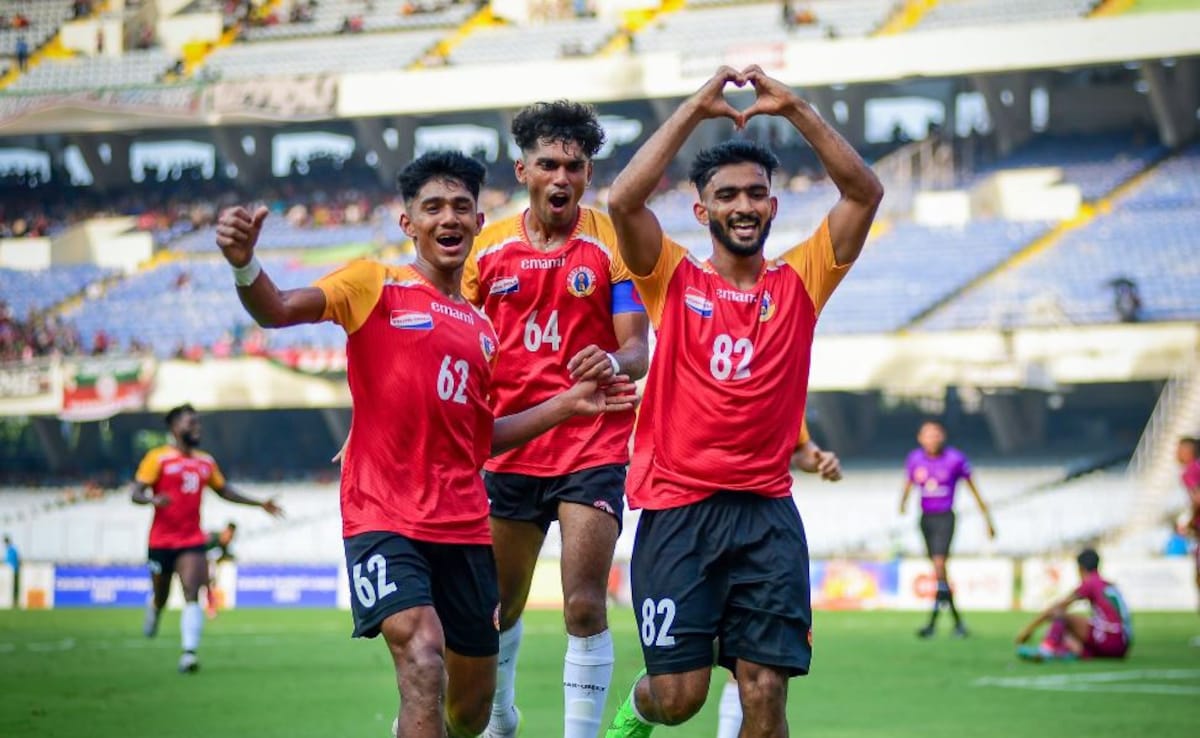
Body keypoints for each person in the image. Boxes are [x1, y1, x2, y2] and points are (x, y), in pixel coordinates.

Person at [215, 150, 638, 738]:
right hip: (383, 518)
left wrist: (567, 405)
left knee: (468, 711)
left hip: (464, 526)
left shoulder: (483, 331)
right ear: (407, 222)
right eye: (433, 207)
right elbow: (279, 308)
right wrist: (245, 265)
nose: (449, 218)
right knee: (421, 651)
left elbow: (481, 439)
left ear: (477, 221)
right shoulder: (373, 284)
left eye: (461, 207)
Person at [603, 65, 883, 738]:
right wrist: (692, 111)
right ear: (702, 211)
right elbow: (623, 201)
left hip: (766, 516)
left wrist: (796, 108)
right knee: (679, 699)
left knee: (765, 691)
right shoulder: (672, 277)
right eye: (726, 195)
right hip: (678, 511)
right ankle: (634, 715)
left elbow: (864, 192)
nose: (744, 205)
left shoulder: (802, 280)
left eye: (757, 193)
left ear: (773, 207)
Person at [460, 100, 650, 738]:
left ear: (589, 174)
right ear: (523, 171)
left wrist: (613, 359)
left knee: (583, 604)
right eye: (548, 164)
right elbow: (450, 338)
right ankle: (501, 717)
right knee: (499, 606)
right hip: (510, 444)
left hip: (592, 443)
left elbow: (638, 348)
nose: (561, 177)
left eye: (574, 166)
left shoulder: (611, 242)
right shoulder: (486, 251)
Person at [132, 404, 284, 673]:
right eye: (190, 423)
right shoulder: (158, 459)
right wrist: (152, 499)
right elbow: (135, 493)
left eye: (198, 423)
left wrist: (259, 503)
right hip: (160, 542)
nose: (196, 428)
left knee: (192, 592)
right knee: (161, 595)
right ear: (174, 427)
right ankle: (155, 608)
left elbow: (225, 491)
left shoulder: (205, 462)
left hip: (191, 539)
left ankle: (189, 653)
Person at [716, 421, 840, 738]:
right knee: (681, 686)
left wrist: (819, 459)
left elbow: (801, 449)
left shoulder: (782, 398)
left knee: (756, 667)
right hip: (696, 525)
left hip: (763, 530)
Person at [899, 419, 995, 638]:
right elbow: (908, 484)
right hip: (925, 519)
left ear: (943, 436)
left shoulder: (955, 459)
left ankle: (934, 623)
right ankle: (956, 623)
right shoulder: (915, 459)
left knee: (939, 566)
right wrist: (902, 504)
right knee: (938, 572)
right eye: (927, 435)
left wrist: (987, 520)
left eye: (936, 434)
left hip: (945, 517)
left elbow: (974, 490)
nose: (932, 439)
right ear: (920, 438)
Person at [1015, 548, 1132, 662]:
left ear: (1080, 568)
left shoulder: (1091, 582)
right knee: (1070, 631)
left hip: (1110, 639)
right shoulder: (1107, 584)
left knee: (1060, 614)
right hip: (1122, 645)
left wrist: (1028, 629)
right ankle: (1070, 652)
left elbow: (1057, 607)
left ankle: (1046, 650)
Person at [1177, 437, 1200, 644]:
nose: (1176, 453)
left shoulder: (1190, 470)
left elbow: (1197, 499)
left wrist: (1190, 522)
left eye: (1180, 449)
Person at [204, 521, 237, 618]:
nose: (229, 539)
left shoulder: (224, 545)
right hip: (200, 563)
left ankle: (211, 608)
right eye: (229, 535)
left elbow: (223, 555)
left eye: (231, 537)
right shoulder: (212, 538)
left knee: (211, 585)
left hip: (211, 567)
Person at [4, 535, 19, 608]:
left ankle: (15, 601)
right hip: (8, 572)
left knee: (13, 587)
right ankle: (11, 601)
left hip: (13, 571)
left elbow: (14, 561)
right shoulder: (8, 550)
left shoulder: (12, 550)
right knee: (9, 586)